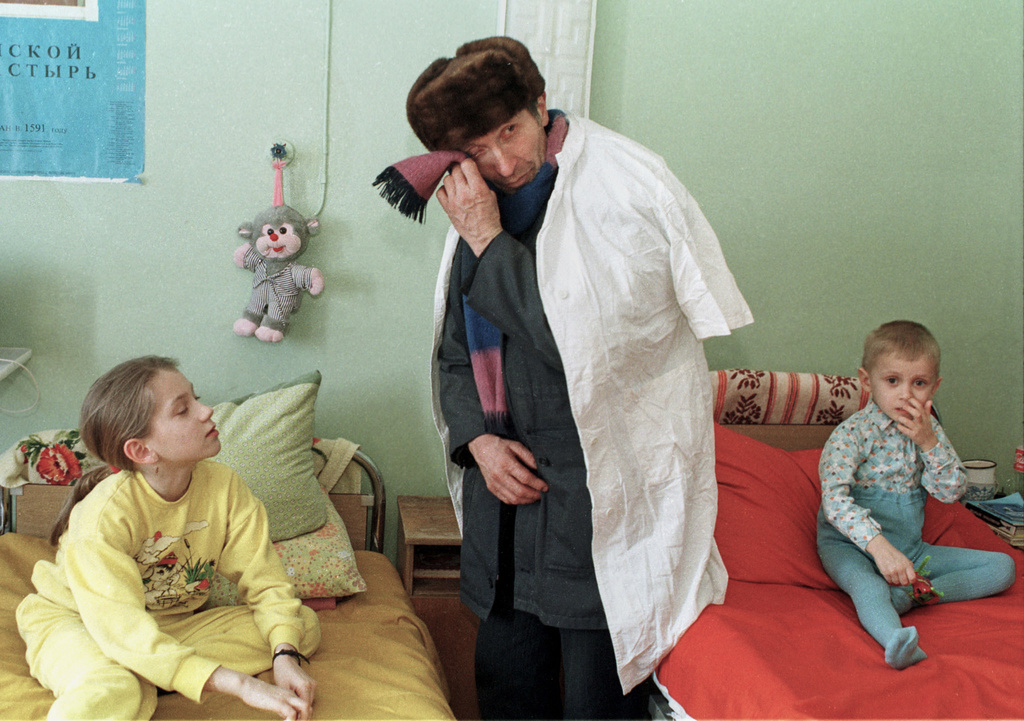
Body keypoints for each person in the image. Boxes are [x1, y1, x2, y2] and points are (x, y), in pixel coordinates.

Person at [405, 37, 753, 718]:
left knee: (600, 703)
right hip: (505, 514)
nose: (503, 163)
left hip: (598, 503)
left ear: (541, 105)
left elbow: (584, 349)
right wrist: (477, 440)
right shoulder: (480, 204)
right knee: (506, 692)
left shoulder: (623, 188)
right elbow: (453, 351)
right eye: (478, 149)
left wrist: (486, 240)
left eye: (511, 131)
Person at [16, 356, 321, 720]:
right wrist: (241, 684)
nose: (207, 411)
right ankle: (143, 672)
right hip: (78, 622)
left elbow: (266, 581)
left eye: (196, 398)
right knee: (114, 688)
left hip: (168, 624)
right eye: (182, 410)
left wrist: (285, 655)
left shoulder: (225, 487)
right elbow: (122, 628)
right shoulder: (103, 518)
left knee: (299, 624)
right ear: (142, 451)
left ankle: (158, 668)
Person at [817, 321, 1015, 670]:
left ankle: (910, 596)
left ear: (933, 387)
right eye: (892, 381)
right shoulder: (851, 434)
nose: (906, 395)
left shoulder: (929, 430)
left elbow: (952, 491)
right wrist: (880, 549)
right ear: (867, 381)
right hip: (852, 547)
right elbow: (835, 502)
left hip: (910, 550)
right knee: (867, 587)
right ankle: (896, 639)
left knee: (1002, 567)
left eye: (918, 383)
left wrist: (929, 443)